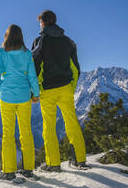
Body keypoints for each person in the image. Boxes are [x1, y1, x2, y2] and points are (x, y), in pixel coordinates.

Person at [31, 10, 90, 172]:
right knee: (72, 122)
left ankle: (53, 164)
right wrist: (72, 87)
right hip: (66, 88)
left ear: (42, 23)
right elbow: (75, 68)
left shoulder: (39, 41)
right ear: (54, 21)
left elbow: (35, 69)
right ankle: (79, 160)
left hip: (47, 90)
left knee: (48, 127)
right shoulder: (68, 41)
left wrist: (34, 92)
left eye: (40, 23)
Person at [0, 24, 40, 180]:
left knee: (8, 134)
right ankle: (28, 169)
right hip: (24, 96)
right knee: (26, 132)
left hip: (6, 97)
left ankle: (9, 171)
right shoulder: (27, 54)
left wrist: (1, 87)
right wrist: (36, 93)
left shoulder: (1, 52)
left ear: (6, 36)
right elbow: (32, 76)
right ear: (21, 37)